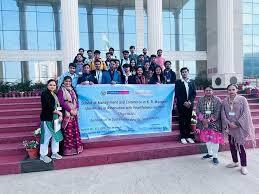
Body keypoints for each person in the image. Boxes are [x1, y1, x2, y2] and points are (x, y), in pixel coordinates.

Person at [221, 84, 256, 175]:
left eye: (233, 89)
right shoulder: (225, 101)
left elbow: (246, 113)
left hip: (239, 127)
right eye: (229, 90)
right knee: (232, 145)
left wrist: (237, 123)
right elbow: (223, 113)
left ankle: (243, 166)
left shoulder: (242, 99)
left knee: (240, 147)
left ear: (237, 90)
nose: (231, 91)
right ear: (227, 91)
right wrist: (229, 123)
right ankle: (235, 162)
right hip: (230, 127)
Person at [196, 85, 223, 165]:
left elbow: (218, 111)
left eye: (210, 90)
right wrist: (203, 120)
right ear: (204, 91)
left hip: (215, 123)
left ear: (212, 91)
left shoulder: (217, 100)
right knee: (207, 139)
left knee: (215, 140)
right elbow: (197, 110)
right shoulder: (200, 100)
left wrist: (209, 120)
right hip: (203, 124)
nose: (208, 92)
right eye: (206, 90)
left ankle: (215, 156)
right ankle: (209, 153)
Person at [57, 76, 84, 156]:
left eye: (69, 81)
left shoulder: (73, 90)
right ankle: (68, 151)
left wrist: (76, 109)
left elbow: (76, 100)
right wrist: (70, 110)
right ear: (63, 82)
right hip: (67, 114)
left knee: (74, 131)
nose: (68, 83)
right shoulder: (61, 90)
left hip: (74, 114)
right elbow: (61, 102)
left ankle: (76, 149)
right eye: (66, 81)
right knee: (67, 133)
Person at [40, 79, 63, 163]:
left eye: (54, 85)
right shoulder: (44, 94)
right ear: (47, 85)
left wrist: (60, 114)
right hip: (47, 118)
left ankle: (54, 152)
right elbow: (47, 106)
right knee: (46, 136)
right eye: (50, 85)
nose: (52, 86)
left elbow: (58, 106)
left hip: (56, 118)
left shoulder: (55, 94)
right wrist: (59, 113)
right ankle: (43, 155)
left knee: (55, 136)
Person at [175, 67, 196, 144]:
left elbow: (194, 93)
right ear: (181, 73)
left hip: (190, 104)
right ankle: (182, 136)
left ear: (188, 73)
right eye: (183, 72)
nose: (184, 73)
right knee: (182, 120)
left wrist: (190, 102)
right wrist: (184, 102)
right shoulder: (178, 82)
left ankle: (188, 136)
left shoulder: (192, 82)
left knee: (188, 120)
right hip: (181, 104)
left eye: (185, 72)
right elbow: (177, 94)